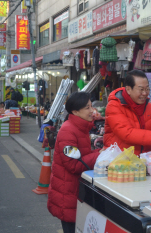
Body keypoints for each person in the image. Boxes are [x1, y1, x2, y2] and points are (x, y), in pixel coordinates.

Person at [47, 92, 101, 233]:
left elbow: (83, 156)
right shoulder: (68, 130)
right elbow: (74, 165)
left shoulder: (80, 127)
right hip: (68, 192)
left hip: (74, 189)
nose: (92, 111)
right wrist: (99, 155)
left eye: (91, 106)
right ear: (75, 111)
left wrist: (100, 152)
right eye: (87, 108)